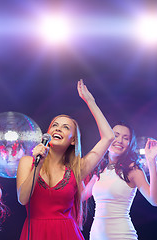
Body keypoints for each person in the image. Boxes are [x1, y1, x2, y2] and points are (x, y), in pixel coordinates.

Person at [16, 79, 115, 240]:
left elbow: (109, 137)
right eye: (55, 125)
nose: (58, 128)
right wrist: (38, 164)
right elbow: (23, 199)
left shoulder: (77, 168)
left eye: (65, 127)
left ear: (73, 140)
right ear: (48, 133)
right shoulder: (28, 161)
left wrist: (91, 102)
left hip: (66, 233)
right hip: (35, 232)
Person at [82, 122, 157, 240]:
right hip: (96, 235)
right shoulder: (99, 170)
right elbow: (80, 197)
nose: (119, 140)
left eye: (126, 138)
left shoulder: (133, 170)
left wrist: (151, 162)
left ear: (130, 144)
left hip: (122, 235)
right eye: (116, 135)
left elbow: (155, 200)